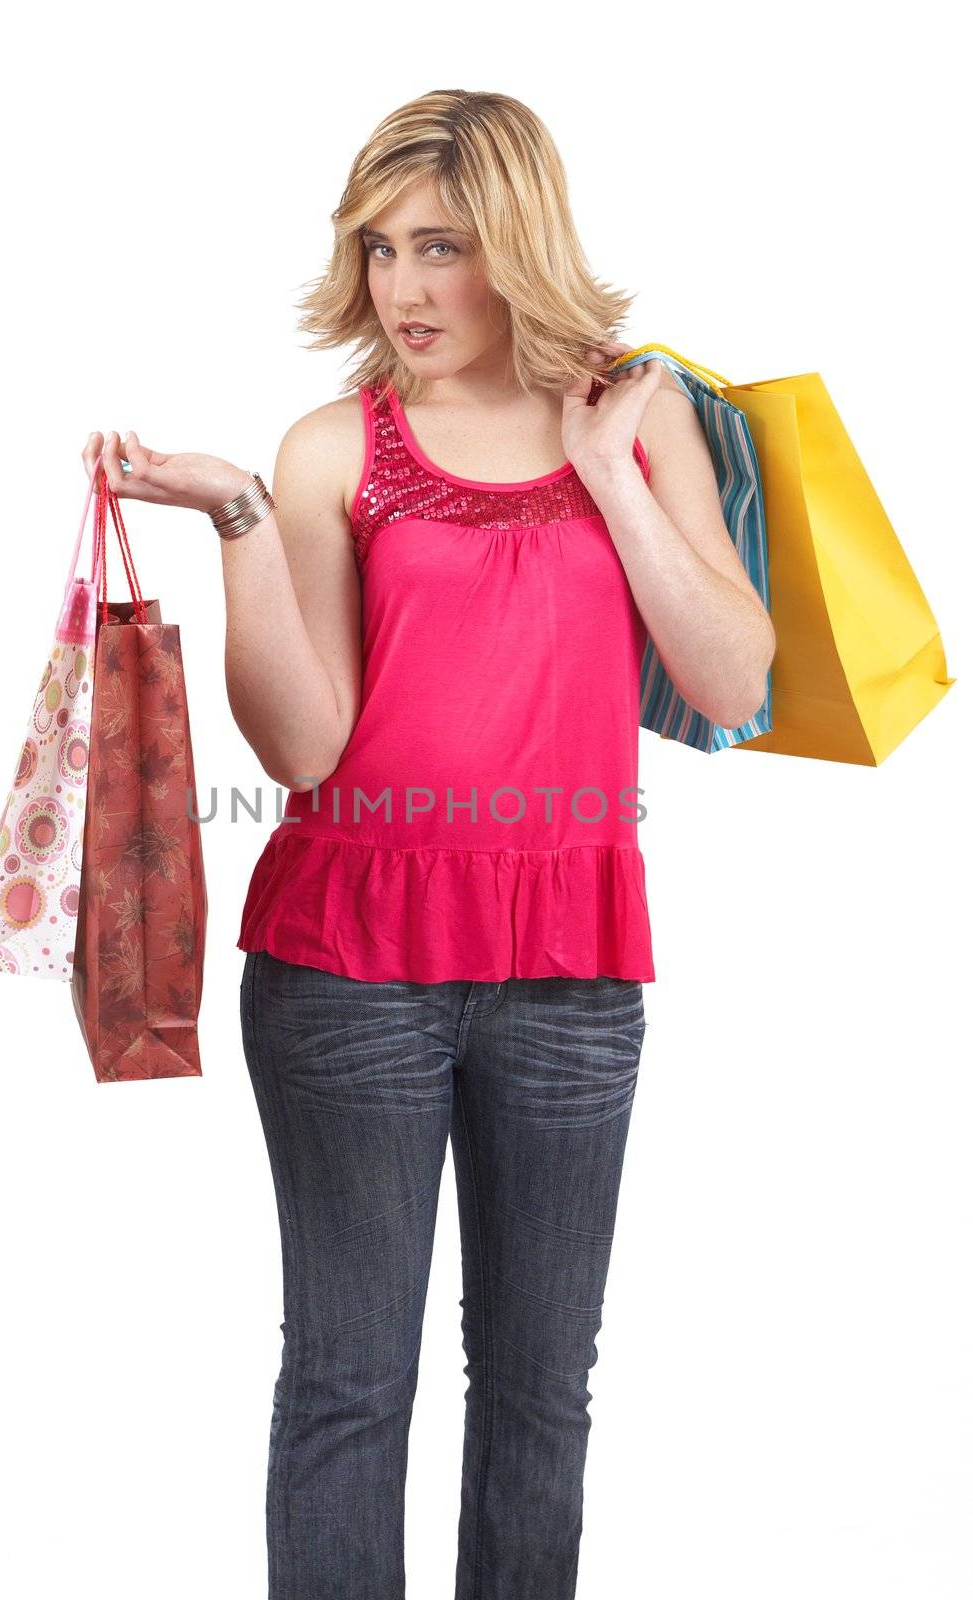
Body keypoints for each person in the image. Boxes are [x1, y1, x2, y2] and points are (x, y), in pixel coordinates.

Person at [84, 87, 774, 1600]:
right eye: (380, 248)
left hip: (571, 964)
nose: (404, 287)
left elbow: (734, 681)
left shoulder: (644, 425)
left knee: (542, 1391)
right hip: (348, 971)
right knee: (347, 1384)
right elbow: (306, 749)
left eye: (442, 247)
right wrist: (245, 520)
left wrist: (609, 476)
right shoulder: (335, 445)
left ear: (516, 245)